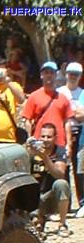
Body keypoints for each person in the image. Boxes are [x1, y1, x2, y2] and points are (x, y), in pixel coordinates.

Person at [29, 123, 71, 236]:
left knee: (61, 184)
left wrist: (45, 158)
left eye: (49, 137)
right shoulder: (32, 152)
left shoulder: (59, 151)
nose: (45, 139)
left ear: (55, 138)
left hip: (51, 196)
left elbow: (59, 174)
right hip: (34, 197)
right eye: (43, 136)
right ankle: (38, 221)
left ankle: (62, 224)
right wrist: (28, 152)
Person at [21, 61, 73, 148]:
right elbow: (27, 120)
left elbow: (67, 122)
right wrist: (29, 139)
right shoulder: (34, 96)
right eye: (46, 73)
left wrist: (69, 143)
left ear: (56, 75)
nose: (49, 75)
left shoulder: (63, 98)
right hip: (39, 142)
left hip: (59, 143)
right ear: (41, 75)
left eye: (52, 73)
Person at [57, 62, 84, 209]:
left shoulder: (82, 93)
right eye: (71, 73)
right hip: (63, 131)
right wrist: (74, 112)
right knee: (64, 167)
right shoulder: (59, 92)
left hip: (80, 133)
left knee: (80, 169)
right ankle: (65, 204)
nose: (73, 77)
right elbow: (60, 113)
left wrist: (68, 112)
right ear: (66, 74)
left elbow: (81, 115)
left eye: (76, 74)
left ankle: (82, 203)